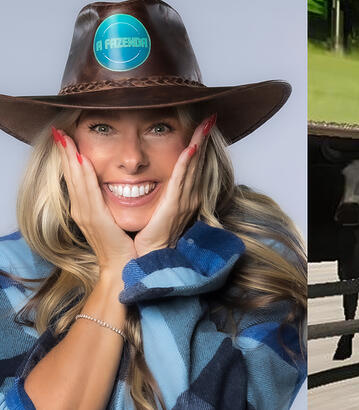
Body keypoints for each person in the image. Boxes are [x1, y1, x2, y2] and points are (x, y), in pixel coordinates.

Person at [0, 1, 306, 409]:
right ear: (66, 142)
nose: (131, 158)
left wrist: (158, 263)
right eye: (102, 127)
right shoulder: (13, 269)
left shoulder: (264, 253)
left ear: (197, 139)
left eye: (159, 126)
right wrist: (114, 275)